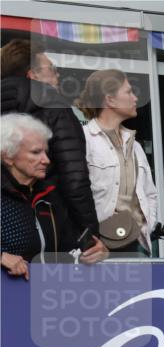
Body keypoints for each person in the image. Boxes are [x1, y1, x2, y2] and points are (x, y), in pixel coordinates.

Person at [1, 39, 105, 251]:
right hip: (51, 221)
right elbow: (74, 175)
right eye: (53, 69)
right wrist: (90, 233)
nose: (58, 76)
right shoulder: (53, 104)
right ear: (32, 75)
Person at [1, 113, 106, 279]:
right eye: (36, 152)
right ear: (8, 156)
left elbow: (69, 247)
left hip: (44, 295)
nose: (46, 160)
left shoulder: (49, 196)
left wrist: (94, 252)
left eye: (46, 152)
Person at [76, 69, 158, 253]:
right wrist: (90, 240)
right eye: (129, 92)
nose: (135, 98)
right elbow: (74, 196)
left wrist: (146, 227)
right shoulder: (84, 140)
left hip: (137, 246)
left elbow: (150, 194)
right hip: (96, 249)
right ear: (110, 99)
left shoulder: (135, 146)